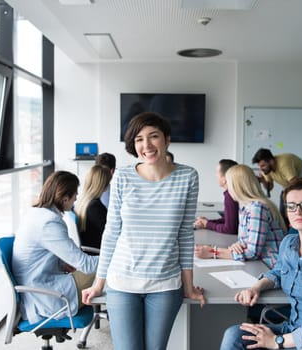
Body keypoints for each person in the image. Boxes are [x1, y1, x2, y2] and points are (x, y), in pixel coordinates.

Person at [82, 112, 205, 350]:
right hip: (122, 283)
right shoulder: (122, 178)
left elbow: (185, 235)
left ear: (167, 140)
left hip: (165, 285)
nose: (146, 145)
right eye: (139, 139)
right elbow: (111, 232)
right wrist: (99, 283)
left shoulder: (188, 176)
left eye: (153, 136)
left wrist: (188, 285)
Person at [220, 178, 302, 350]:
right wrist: (256, 287)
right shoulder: (289, 243)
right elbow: (278, 272)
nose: (297, 211)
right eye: (291, 206)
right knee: (234, 335)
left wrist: (277, 342)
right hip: (292, 328)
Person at [12, 171, 99, 324]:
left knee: (104, 271)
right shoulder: (49, 223)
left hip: (37, 286)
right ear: (65, 198)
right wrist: (117, 256)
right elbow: (86, 265)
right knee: (109, 270)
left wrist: (62, 264)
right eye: (75, 196)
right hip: (45, 295)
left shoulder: (35, 213)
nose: (76, 200)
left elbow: (39, 256)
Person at [195, 165, 286, 268]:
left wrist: (213, 252)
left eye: (228, 184)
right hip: (259, 264)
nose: (227, 189)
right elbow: (246, 243)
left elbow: (252, 253)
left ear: (237, 186)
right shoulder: (245, 207)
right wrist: (237, 245)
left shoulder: (257, 209)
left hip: (271, 267)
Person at [252, 148, 302, 225]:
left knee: (298, 209)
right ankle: (287, 233)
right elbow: (270, 187)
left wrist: (289, 204)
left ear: (271, 161)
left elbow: (294, 183)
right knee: (284, 213)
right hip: (290, 185)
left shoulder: (284, 163)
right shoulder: (267, 170)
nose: (261, 169)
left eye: (263, 165)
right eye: (259, 166)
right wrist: (263, 181)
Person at [194, 159, 239, 235]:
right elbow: (229, 220)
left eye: (217, 173)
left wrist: (207, 224)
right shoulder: (234, 192)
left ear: (224, 179)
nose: (216, 175)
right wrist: (208, 222)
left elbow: (230, 229)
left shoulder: (230, 196)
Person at [74, 164, 112, 249]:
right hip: (97, 251)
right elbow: (110, 233)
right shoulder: (94, 207)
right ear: (104, 185)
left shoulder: (82, 201)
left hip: (90, 247)